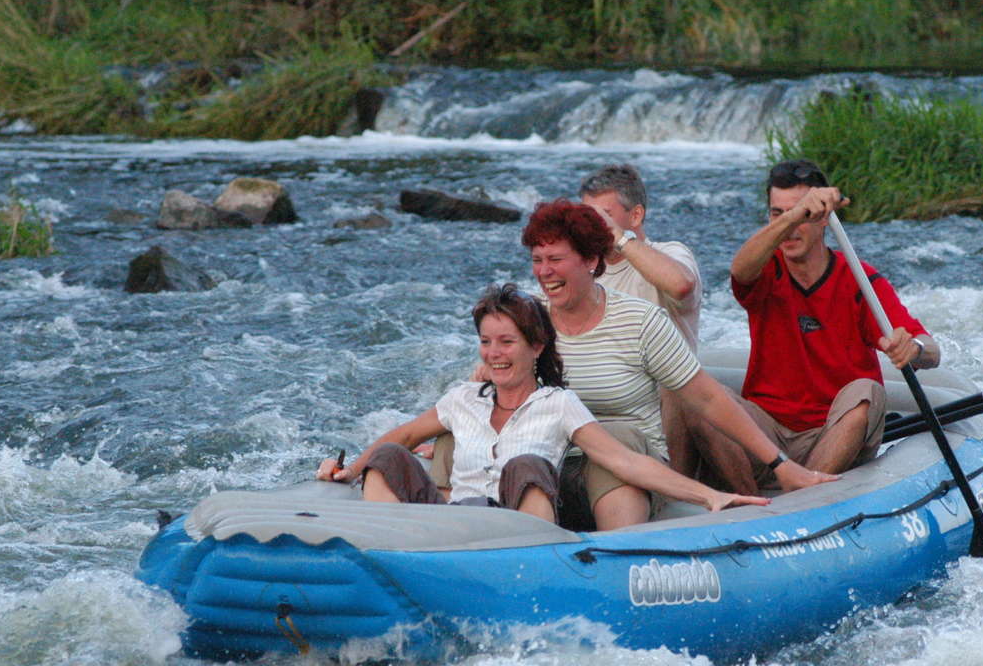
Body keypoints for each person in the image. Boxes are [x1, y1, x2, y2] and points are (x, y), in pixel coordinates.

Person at [317, 283, 768, 521]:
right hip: (450, 530)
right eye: (486, 342)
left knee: (526, 465)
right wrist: (348, 471)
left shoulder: (559, 403)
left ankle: (530, 566)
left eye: (507, 342)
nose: (494, 354)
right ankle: (390, 557)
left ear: (535, 347)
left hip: (516, 533)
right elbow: (405, 435)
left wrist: (709, 496)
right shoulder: (463, 398)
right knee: (389, 457)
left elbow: (624, 461)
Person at [522, 199, 835, 530]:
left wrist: (780, 464)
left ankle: (622, 556)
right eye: (537, 260)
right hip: (555, 466)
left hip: (635, 468)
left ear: (590, 260)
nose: (544, 272)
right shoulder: (526, 321)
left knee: (617, 434)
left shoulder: (639, 320)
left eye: (555, 260)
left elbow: (707, 398)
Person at [722, 158, 940, 491]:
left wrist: (915, 348)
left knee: (867, 390)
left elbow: (932, 351)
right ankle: (744, 507)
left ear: (824, 217)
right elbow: (739, 270)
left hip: (833, 434)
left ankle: (800, 498)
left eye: (802, 213)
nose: (790, 227)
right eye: (777, 214)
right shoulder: (765, 269)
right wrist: (796, 213)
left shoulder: (858, 277)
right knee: (694, 394)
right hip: (766, 437)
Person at [579, 163, 703, 473]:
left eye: (602, 216)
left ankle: (679, 489)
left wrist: (619, 238)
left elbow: (680, 284)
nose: (592, 226)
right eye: (586, 217)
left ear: (635, 216)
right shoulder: (578, 271)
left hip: (660, 407)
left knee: (673, 387)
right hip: (600, 399)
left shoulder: (672, 252)